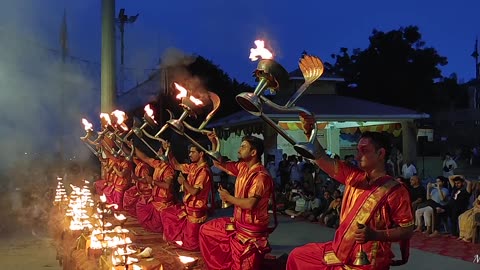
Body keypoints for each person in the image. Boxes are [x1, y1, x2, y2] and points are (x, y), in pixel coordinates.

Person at [287, 115, 414, 270]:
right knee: (297, 256)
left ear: (381, 154)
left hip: (368, 259)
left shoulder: (395, 190)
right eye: (357, 151)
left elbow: (407, 230)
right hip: (341, 250)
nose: (357, 156)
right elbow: (321, 157)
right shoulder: (352, 175)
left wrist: (375, 235)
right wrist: (310, 132)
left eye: (364, 151)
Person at [199, 134, 275, 270]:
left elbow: (250, 204)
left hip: (250, 231)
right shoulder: (242, 167)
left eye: (243, 147)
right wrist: (215, 142)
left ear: (253, 152)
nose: (239, 150)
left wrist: (228, 198)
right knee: (206, 230)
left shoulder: (260, 177)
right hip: (237, 224)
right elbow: (217, 163)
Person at [160, 142, 213, 251]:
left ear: (201, 153)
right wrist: (168, 150)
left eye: (193, 152)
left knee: (191, 245)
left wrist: (183, 182)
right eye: (190, 152)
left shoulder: (204, 171)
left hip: (196, 211)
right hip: (187, 207)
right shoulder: (193, 167)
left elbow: (194, 192)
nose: (189, 155)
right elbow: (176, 166)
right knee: (166, 213)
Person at [134, 146, 175, 233]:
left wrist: (153, 181)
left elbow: (167, 185)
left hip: (163, 203)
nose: (158, 152)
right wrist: (133, 146)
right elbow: (144, 158)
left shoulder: (169, 169)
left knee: (156, 226)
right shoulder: (157, 164)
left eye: (160, 151)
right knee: (140, 207)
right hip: (154, 199)